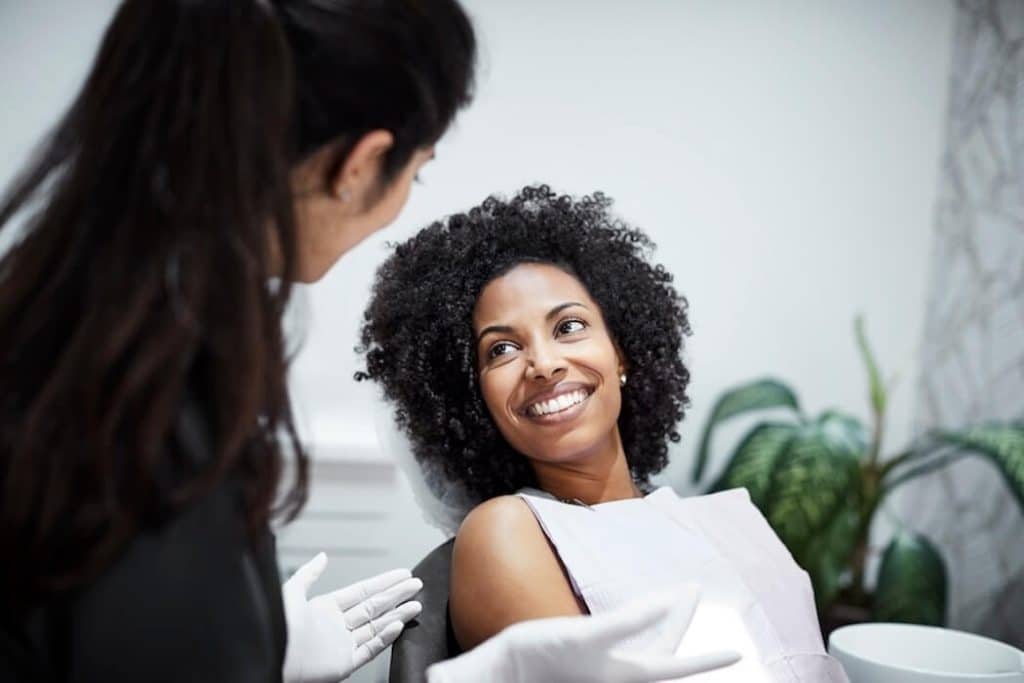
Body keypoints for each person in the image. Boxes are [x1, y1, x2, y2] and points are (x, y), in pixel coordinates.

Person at [0, 2, 735, 681]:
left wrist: (256, 645)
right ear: (358, 167)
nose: (544, 362)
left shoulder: (76, 332)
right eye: (417, 171)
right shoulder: (148, 409)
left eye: (570, 325)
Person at [358, 185, 851, 681]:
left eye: (569, 326)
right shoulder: (507, 532)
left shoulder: (729, 518)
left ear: (622, 355)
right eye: (502, 349)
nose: (545, 365)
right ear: (473, 399)